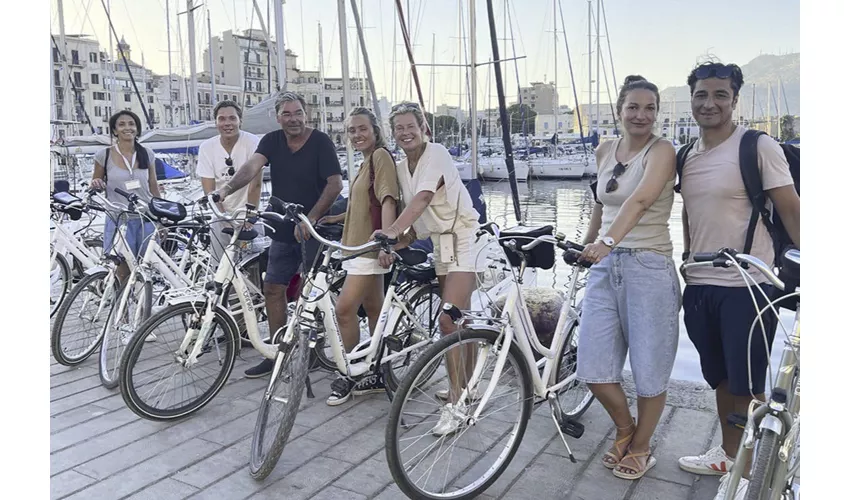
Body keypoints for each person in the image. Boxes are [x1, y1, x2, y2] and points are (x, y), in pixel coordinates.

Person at [674, 62, 800, 499]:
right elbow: (690, 213)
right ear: (691, 99)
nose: (709, 103)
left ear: (734, 99)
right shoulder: (687, 154)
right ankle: (729, 457)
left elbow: (790, 208)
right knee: (720, 377)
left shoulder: (756, 146)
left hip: (749, 285)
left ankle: (754, 469)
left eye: (720, 95)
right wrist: (687, 259)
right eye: (701, 95)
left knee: (747, 382)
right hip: (701, 283)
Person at [576, 76, 680, 480]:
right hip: (605, 265)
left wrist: (606, 242)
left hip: (649, 265)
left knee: (650, 369)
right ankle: (625, 428)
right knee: (593, 368)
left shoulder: (662, 150)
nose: (642, 115)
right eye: (633, 107)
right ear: (620, 110)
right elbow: (602, 205)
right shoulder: (605, 150)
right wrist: (586, 248)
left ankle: (640, 447)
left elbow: (641, 199)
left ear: (656, 112)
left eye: (650, 108)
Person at [372, 101, 487, 436]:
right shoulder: (401, 165)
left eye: (412, 126)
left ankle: (456, 401)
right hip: (441, 243)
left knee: (448, 319)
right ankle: (465, 386)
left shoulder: (435, 152)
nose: (406, 133)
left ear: (423, 126)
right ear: (393, 133)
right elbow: (415, 215)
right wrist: (391, 243)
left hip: (464, 238)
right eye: (399, 128)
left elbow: (422, 199)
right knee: (459, 319)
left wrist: (392, 231)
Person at [213, 91, 343, 378]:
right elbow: (250, 167)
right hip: (283, 228)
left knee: (311, 295)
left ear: (306, 113)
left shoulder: (320, 141)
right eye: (287, 113)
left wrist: (310, 220)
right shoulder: (272, 140)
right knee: (273, 288)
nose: (293, 119)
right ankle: (276, 352)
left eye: (297, 113)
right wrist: (224, 190)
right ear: (278, 116)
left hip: (315, 230)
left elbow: (335, 184)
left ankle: (313, 350)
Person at [312, 107, 406, 405]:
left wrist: (386, 240)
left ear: (375, 130)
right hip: (356, 246)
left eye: (362, 128)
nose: (356, 134)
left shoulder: (380, 157)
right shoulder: (366, 161)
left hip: (369, 248)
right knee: (375, 308)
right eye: (351, 130)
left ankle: (351, 373)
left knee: (343, 309)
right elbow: (364, 207)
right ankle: (379, 370)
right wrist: (336, 220)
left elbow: (387, 199)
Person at [91, 110, 162, 285]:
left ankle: (143, 308)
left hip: (146, 218)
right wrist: (96, 183)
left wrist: (161, 218)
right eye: (121, 124)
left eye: (131, 124)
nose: (127, 128)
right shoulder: (104, 155)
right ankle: (123, 311)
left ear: (137, 129)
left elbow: (153, 185)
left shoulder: (147, 153)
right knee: (122, 270)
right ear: (115, 131)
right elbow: (96, 180)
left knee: (146, 268)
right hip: (118, 219)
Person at [196, 100, 262, 264]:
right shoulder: (206, 147)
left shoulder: (253, 143)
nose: (227, 123)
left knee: (252, 264)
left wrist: (250, 216)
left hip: (249, 215)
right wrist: (224, 217)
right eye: (222, 119)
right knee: (221, 266)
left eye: (232, 118)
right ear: (216, 122)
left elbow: (256, 184)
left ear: (240, 121)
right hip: (220, 215)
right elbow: (209, 190)